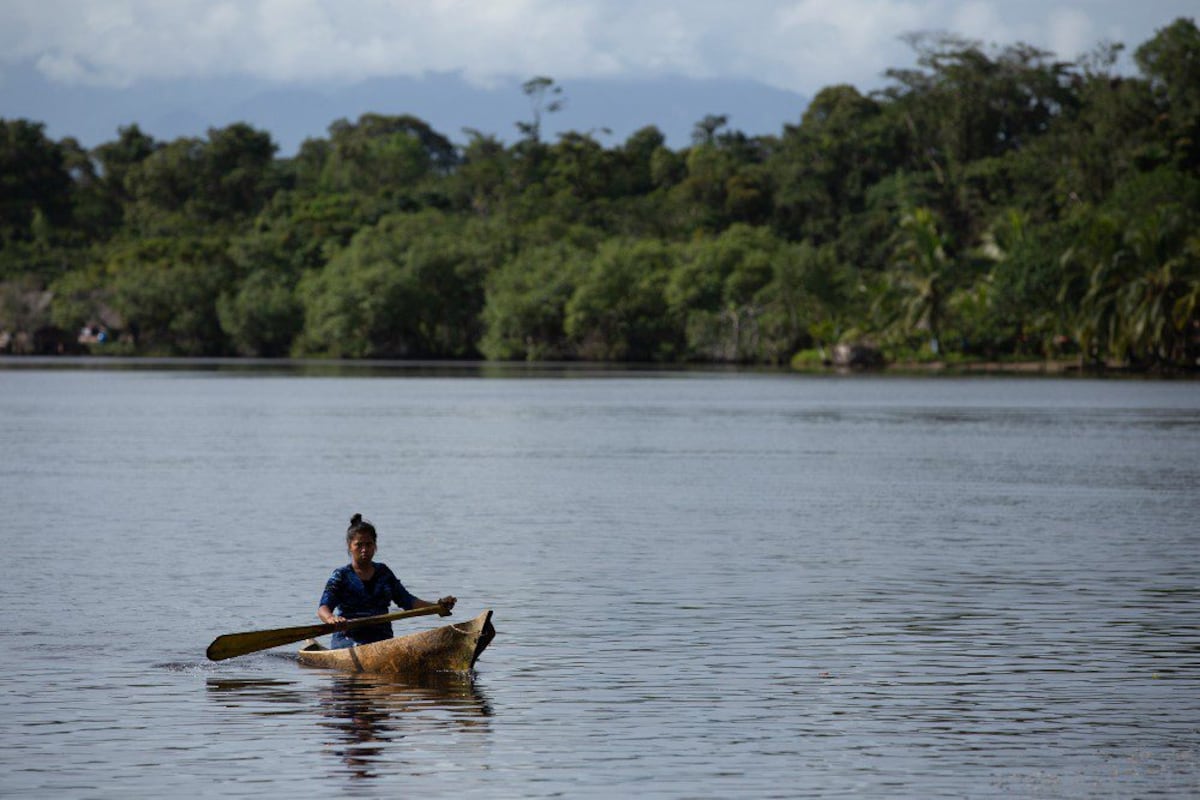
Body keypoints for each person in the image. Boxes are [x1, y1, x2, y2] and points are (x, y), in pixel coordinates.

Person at [318, 513, 457, 649]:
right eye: (359, 545)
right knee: (361, 646)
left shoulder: (383, 573)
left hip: (382, 639)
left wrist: (436, 608)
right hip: (349, 639)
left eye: (368, 544)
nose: (364, 550)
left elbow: (408, 601)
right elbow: (323, 608)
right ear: (350, 546)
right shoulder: (341, 575)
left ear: (375, 546)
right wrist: (331, 618)